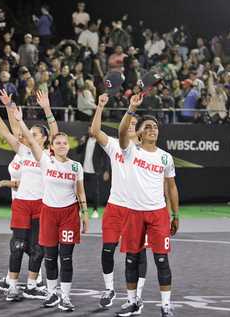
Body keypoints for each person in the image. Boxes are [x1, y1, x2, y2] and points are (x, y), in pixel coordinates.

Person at [13, 105, 89, 312]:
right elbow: (30, 139)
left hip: (68, 214)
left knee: (65, 257)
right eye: (58, 142)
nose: (62, 145)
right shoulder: (46, 161)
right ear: (52, 146)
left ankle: (65, 297)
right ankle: (52, 293)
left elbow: (80, 192)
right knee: (50, 256)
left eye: (65, 142)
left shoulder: (76, 166)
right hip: (48, 213)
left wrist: (85, 215)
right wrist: (20, 120)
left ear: (69, 145)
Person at [116, 95, 180, 317]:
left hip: (158, 214)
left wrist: (176, 214)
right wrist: (132, 109)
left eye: (155, 127)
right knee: (132, 259)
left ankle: (165, 306)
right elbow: (122, 133)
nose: (153, 129)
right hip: (134, 212)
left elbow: (171, 187)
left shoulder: (165, 158)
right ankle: (132, 302)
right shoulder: (131, 151)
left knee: (161, 259)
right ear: (140, 133)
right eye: (148, 127)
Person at [0, 90, 57, 301]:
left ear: (45, 139)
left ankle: (31, 285)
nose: (30, 136)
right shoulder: (23, 152)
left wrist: (46, 108)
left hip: (41, 204)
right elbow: (6, 132)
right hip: (21, 204)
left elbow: (55, 132)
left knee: (38, 248)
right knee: (17, 246)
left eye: (35, 134)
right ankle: (11, 285)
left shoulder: (49, 154)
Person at [89, 95, 148, 313]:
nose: (131, 125)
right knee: (107, 250)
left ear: (141, 130)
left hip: (137, 209)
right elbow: (95, 132)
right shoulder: (114, 145)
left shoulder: (148, 152)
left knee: (137, 254)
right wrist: (100, 107)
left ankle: (137, 297)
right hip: (114, 207)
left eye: (134, 123)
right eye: (128, 121)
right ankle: (109, 289)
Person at [77, 125, 110, 219]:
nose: (90, 130)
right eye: (89, 129)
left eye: (92, 129)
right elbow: (78, 151)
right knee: (81, 191)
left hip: (95, 171)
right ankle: (82, 210)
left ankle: (95, 210)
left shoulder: (100, 141)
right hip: (83, 170)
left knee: (95, 192)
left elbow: (106, 157)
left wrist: (107, 171)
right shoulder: (85, 139)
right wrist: (81, 142)